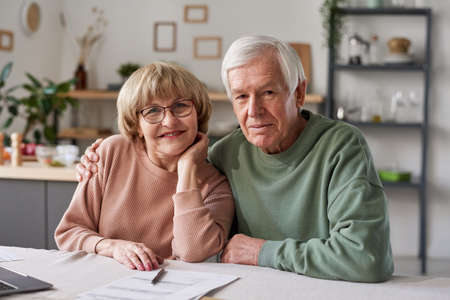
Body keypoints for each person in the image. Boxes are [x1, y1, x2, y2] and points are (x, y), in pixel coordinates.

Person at [76, 36, 394, 282]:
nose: (253, 111)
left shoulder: (341, 146)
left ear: (298, 93)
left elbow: (366, 257)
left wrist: (262, 252)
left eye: (268, 92)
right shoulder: (224, 154)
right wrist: (93, 160)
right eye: (241, 96)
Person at [55, 62, 234, 272]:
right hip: (102, 282)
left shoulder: (216, 186)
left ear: (198, 113)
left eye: (181, 106)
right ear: (136, 125)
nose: (169, 121)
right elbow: (68, 233)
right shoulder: (111, 152)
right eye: (153, 111)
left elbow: (192, 252)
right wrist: (112, 247)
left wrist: (186, 170)